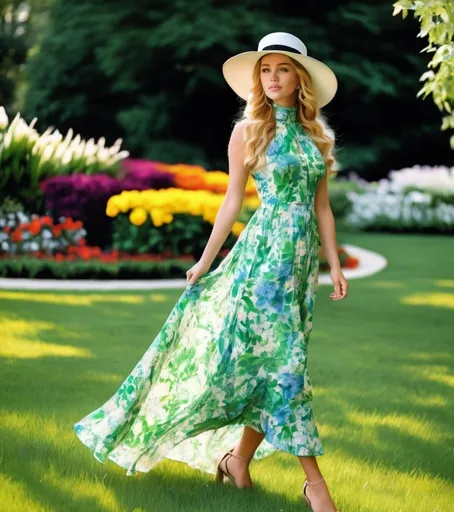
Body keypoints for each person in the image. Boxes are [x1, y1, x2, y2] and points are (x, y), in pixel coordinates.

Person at [73, 31, 348, 512]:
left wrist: (335, 263)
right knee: (285, 368)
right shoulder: (247, 131)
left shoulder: (315, 136)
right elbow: (232, 201)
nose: (273, 78)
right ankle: (316, 486)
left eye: (282, 69)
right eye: (265, 70)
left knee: (272, 367)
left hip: (299, 269)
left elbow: (322, 208)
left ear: (299, 77)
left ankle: (237, 461)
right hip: (262, 258)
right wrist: (205, 259)